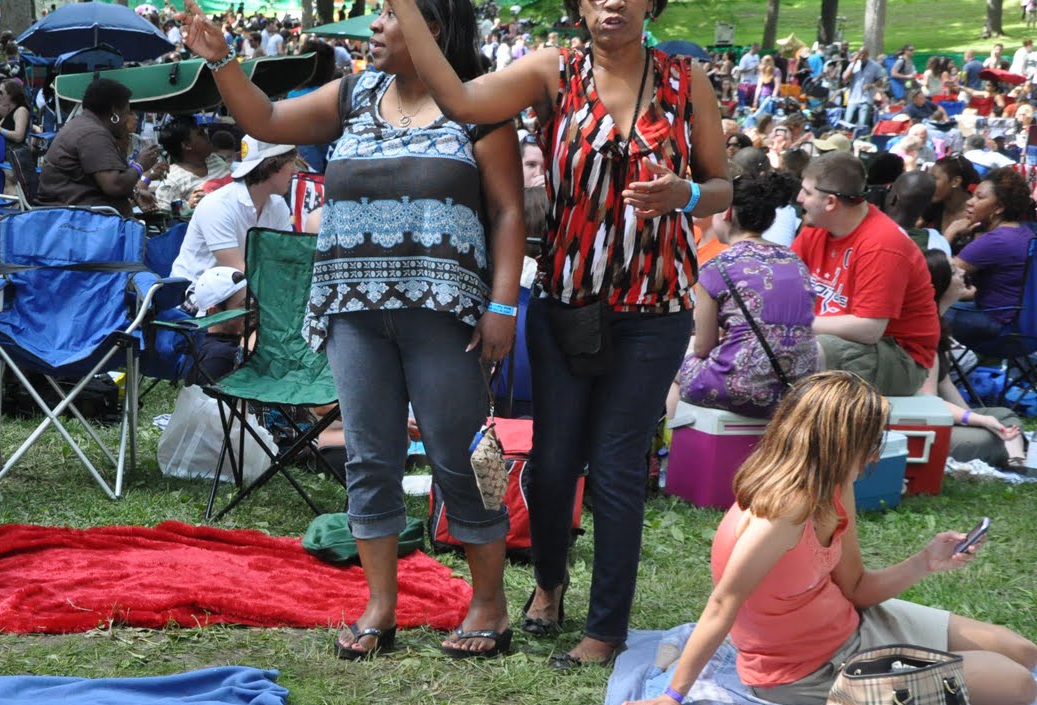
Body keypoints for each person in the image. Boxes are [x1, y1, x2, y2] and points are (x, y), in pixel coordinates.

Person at [382, 0, 731, 669]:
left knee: (619, 464)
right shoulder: (554, 70)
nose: (612, 3)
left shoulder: (687, 80)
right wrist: (406, 8)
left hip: (655, 307)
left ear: (651, 4)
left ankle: (605, 630)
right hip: (568, 301)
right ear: (579, 6)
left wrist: (684, 194)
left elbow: (721, 185)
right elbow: (459, 100)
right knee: (552, 461)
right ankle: (548, 583)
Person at [182, 0, 528, 661]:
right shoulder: (354, 94)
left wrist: (504, 307)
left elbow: (510, 211)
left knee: (463, 454)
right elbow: (265, 119)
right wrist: (222, 60)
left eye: (390, 14)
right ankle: (380, 607)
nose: (374, 25)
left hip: (444, 313)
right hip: (352, 310)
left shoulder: (477, 104)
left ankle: (489, 603)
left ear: (433, 26)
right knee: (370, 456)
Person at [616, 372, 1037, 705]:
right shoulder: (783, 514)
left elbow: (855, 588)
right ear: (842, 443)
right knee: (1018, 684)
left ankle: (918, 664)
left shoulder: (835, 485)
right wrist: (673, 694)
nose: (876, 452)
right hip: (809, 670)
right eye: (873, 440)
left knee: (1023, 653)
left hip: (853, 624)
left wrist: (925, 561)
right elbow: (723, 604)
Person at [674, 166, 817, 417]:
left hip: (736, 387)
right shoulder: (794, 261)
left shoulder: (716, 267)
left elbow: (703, 348)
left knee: (669, 363)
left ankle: (673, 438)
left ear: (727, 212)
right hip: (795, 388)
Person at [792, 151, 939, 394]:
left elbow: (869, 329)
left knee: (804, 351)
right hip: (841, 340)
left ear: (830, 202)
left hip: (897, 356)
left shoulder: (882, 244)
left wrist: (792, 323)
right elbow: (784, 287)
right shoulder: (816, 229)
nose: (799, 198)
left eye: (807, 193)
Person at [923, 250, 1027, 468]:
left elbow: (945, 384)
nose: (962, 272)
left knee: (1005, 416)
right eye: (953, 271)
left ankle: (1015, 461)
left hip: (944, 416)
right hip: (925, 424)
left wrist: (971, 418)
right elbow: (928, 402)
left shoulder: (939, 325)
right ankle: (1013, 459)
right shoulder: (924, 332)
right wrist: (975, 421)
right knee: (991, 438)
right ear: (938, 285)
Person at [168, 136, 295, 280]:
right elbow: (239, 273)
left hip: (241, 287)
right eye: (291, 162)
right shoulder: (217, 205)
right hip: (193, 288)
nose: (295, 171)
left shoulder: (278, 204)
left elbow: (286, 260)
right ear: (271, 167)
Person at [944, 166, 1037, 358]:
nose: (970, 202)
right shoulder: (1024, 232)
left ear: (999, 208)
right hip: (1025, 330)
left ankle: (945, 369)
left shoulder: (996, 240)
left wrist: (950, 233)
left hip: (1002, 331)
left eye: (980, 198)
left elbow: (937, 273)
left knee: (923, 314)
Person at [37, 77, 162, 216]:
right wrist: (140, 165)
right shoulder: (92, 134)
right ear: (114, 111)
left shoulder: (84, 126)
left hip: (77, 216)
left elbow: (92, 183)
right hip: (79, 221)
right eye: (127, 112)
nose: (128, 119)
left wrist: (135, 193)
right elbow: (114, 185)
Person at [153, 116, 232, 213]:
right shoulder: (172, 180)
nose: (207, 136)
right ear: (186, 145)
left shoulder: (214, 160)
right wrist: (187, 206)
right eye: (201, 134)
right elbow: (164, 214)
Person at [884, 169, 952, 256]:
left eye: (890, 189)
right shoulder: (938, 243)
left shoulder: (873, 232)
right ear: (927, 206)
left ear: (894, 199)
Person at [0, 78, 36, 200]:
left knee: (10, 187)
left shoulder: (21, 110)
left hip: (13, 159)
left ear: (11, 95)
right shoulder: (11, 111)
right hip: (7, 158)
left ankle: (14, 209)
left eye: (1, 93)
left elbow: (18, 136)